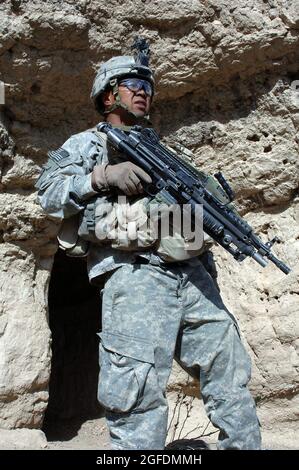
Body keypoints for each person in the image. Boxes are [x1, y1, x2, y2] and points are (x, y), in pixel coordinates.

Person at [35, 43, 262, 450]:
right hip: (135, 274)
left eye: (148, 86)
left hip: (191, 273)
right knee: (135, 388)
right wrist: (102, 175)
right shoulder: (88, 144)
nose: (144, 92)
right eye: (133, 84)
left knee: (228, 372)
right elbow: (49, 194)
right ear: (109, 94)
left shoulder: (167, 150)